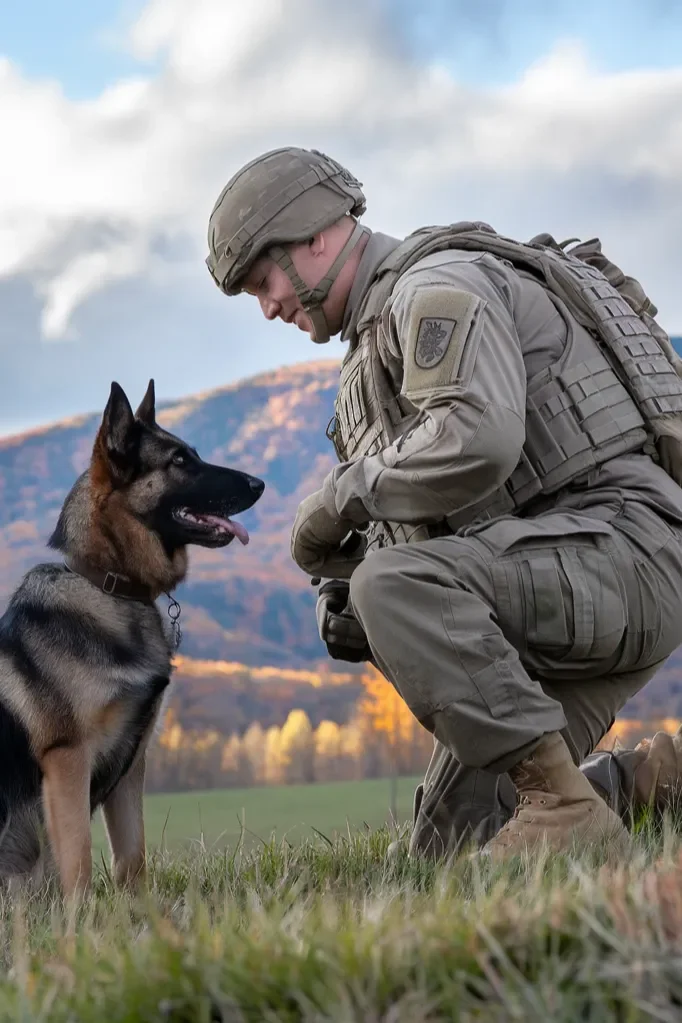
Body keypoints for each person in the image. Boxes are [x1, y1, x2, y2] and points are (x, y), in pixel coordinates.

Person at [205, 146, 682, 861]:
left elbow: (481, 439)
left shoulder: (435, 289)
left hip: (628, 552)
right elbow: (460, 526)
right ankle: (657, 784)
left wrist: (343, 499)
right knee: (451, 846)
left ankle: (565, 807)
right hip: (571, 570)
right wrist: (353, 601)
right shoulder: (374, 351)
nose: (268, 305)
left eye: (264, 279)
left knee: (393, 585)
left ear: (315, 235)